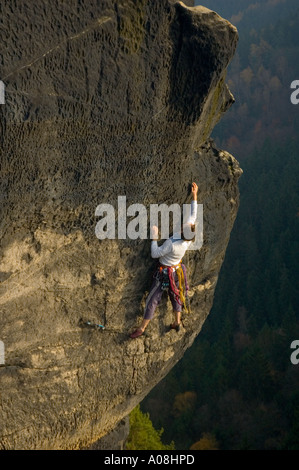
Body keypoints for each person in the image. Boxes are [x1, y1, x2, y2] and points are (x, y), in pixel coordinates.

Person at [130, 182, 198, 339]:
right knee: (176, 296)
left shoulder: (173, 244)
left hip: (164, 273)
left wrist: (154, 238)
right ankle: (177, 322)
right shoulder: (188, 239)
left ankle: (142, 328)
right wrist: (194, 195)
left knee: (153, 299)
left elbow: (155, 254)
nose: (184, 224)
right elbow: (193, 215)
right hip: (177, 272)